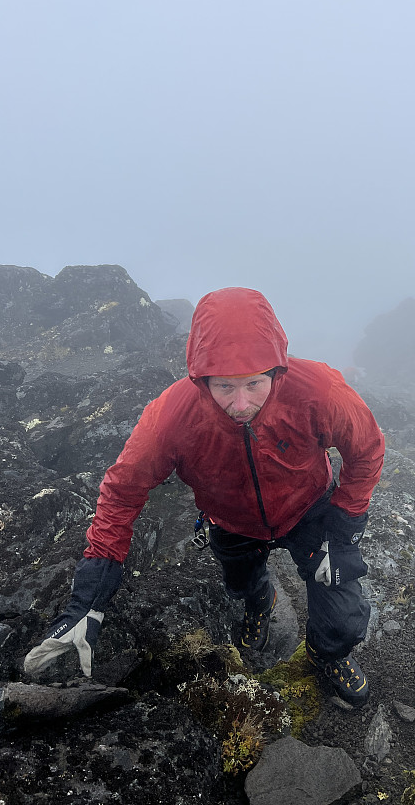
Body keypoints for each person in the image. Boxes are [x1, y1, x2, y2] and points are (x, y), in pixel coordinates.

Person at [24, 287, 385, 707]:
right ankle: (260, 602)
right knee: (241, 583)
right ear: (200, 377)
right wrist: (88, 600)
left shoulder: (320, 391)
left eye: (254, 384)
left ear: (277, 370)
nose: (241, 403)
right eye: (224, 386)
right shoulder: (171, 418)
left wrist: (341, 533)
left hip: (310, 511)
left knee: (343, 610)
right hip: (230, 521)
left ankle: (327, 654)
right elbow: (121, 493)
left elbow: (367, 450)